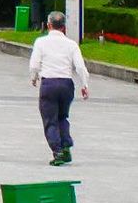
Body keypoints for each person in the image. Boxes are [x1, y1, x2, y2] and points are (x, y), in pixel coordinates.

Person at [28, 11, 91, 166]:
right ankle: (66, 146)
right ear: (63, 27)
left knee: (50, 120)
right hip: (66, 85)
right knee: (62, 117)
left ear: (48, 25)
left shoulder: (41, 42)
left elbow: (34, 64)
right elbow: (80, 67)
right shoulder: (71, 44)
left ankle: (58, 152)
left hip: (49, 84)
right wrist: (84, 85)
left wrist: (34, 77)